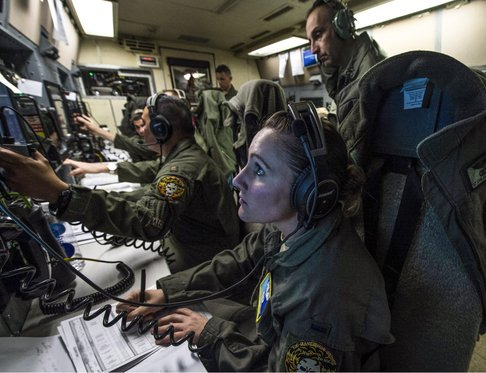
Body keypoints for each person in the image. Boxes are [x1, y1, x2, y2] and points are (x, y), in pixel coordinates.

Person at [116, 107, 393, 371]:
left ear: (309, 192)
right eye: (247, 163)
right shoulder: (292, 226)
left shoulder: (322, 301)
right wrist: (168, 291)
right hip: (268, 338)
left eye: (259, 170)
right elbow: (238, 259)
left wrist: (209, 334)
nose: (237, 180)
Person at [0, 93, 240, 273]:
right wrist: (73, 194)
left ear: (162, 129)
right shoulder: (181, 157)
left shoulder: (184, 167)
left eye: (145, 124)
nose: (141, 131)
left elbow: (148, 222)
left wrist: (61, 194)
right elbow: (148, 192)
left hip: (206, 261)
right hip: (194, 247)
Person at [306, 0, 385, 169]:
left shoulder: (366, 78)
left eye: (318, 34)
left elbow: (351, 161)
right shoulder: (346, 76)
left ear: (342, 26)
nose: (313, 49)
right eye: (310, 41)